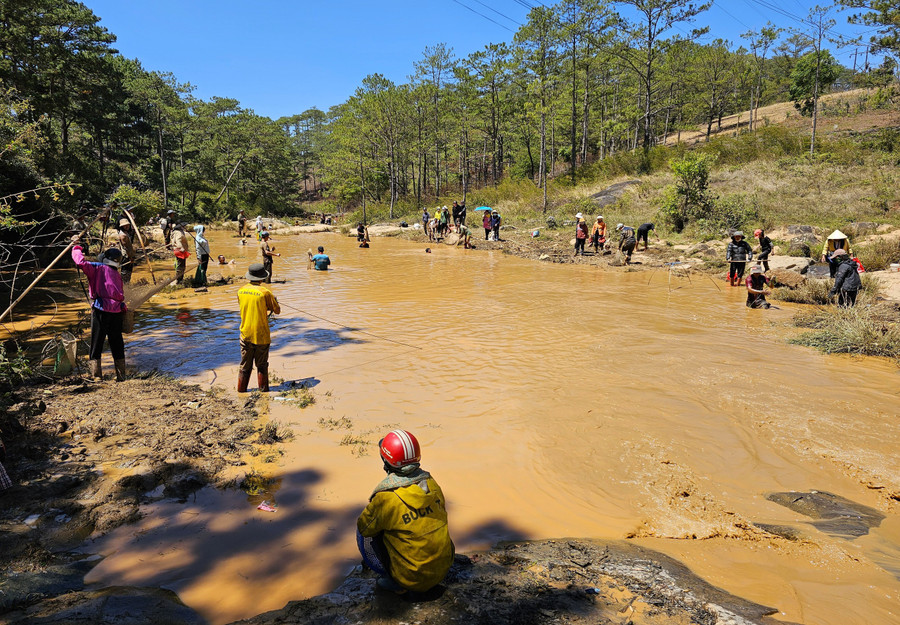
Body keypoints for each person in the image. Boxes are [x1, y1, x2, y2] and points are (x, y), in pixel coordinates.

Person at [357, 430, 454, 594]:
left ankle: (395, 582)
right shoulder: (432, 484)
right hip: (442, 571)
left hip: (410, 580)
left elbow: (363, 528)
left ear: (385, 461)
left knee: (375, 530)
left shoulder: (385, 498)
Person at [71, 236, 128, 381]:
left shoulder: (97, 268)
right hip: (117, 311)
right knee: (116, 341)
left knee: (97, 342)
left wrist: (76, 246)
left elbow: (80, 262)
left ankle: (96, 376)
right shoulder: (117, 273)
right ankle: (121, 375)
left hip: (101, 309)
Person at [237, 263, 280, 392]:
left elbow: (247, 306)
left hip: (245, 334)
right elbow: (277, 310)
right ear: (262, 278)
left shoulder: (241, 290)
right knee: (261, 365)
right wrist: (275, 302)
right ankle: (263, 392)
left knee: (245, 365)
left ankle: (241, 391)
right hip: (261, 335)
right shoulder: (265, 292)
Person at [115, 218, 137, 284]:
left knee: (128, 272)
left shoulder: (126, 233)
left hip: (128, 255)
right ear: (122, 226)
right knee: (125, 272)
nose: (127, 227)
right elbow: (126, 248)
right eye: (125, 226)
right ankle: (124, 285)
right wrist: (130, 257)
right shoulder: (123, 235)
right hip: (126, 256)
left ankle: (127, 284)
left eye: (127, 225)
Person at [193, 225, 211, 289]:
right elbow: (198, 249)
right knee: (202, 269)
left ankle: (203, 281)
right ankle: (201, 282)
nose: (204, 231)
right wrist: (199, 258)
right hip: (202, 255)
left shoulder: (202, 237)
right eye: (203, 230)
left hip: (206, 254)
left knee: (204, 268)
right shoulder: (198, 238)